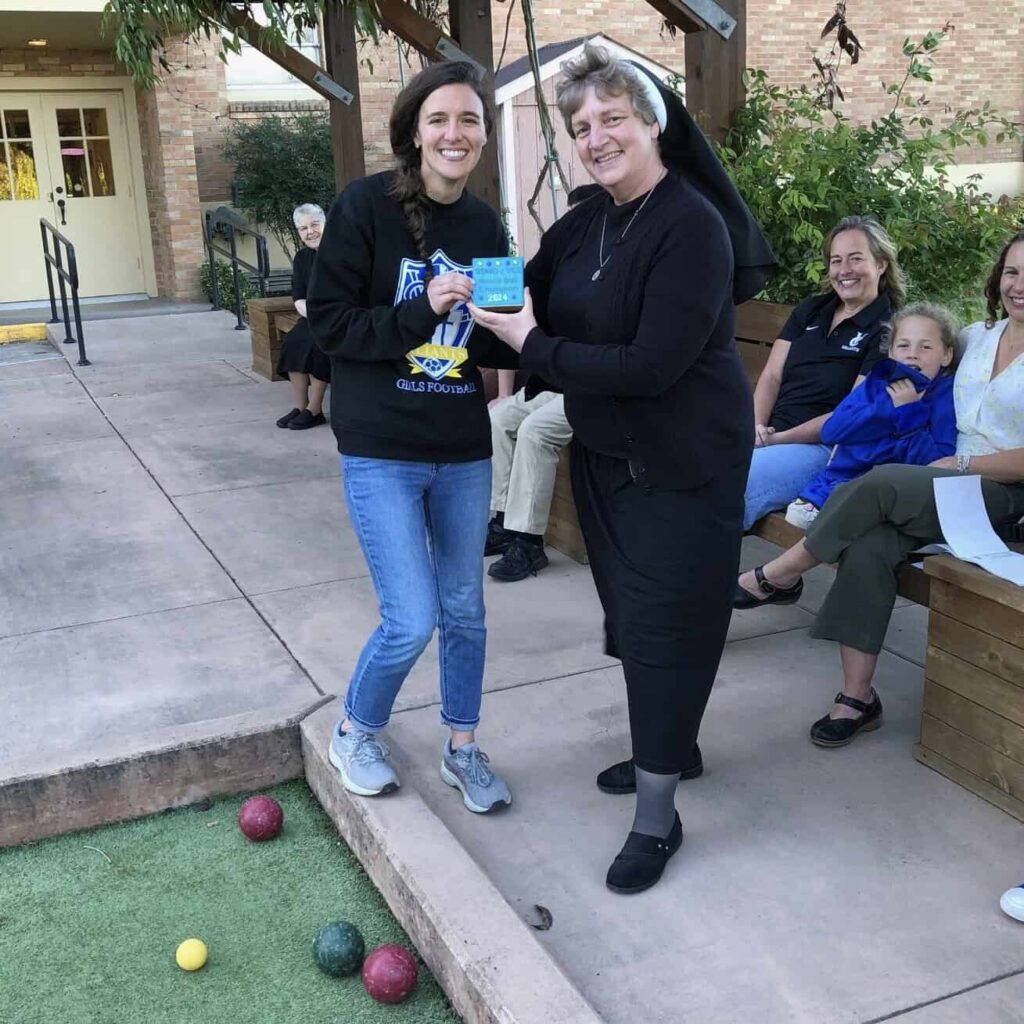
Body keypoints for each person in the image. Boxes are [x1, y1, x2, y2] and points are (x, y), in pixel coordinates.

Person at [469, 44, 775, 893]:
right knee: (636, 621)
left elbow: (648, 368)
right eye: (580, 126)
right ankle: (674, 747)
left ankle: (657, 817)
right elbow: (522, 284)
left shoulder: (691, 226)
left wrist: (532, 344)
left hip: (686, 461)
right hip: (609, 457)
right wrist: (468, 280)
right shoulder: (587, 219)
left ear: (652, 123)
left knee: (667, 627)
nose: (596, 137)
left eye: (612, 119)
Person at [306, 61, 518, 813]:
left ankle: (463, 746)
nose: (454, 133)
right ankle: (355, 730)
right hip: (382, 449)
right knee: (412, 618)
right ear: (414, 133)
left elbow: (484, 348)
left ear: (483, 137)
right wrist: (421, 309)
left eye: (469, 121)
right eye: (440, 120)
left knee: (466, 610)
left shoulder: (485, 223)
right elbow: (329, 323)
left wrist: (524, 329)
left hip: (460, 448)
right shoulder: (365, 207)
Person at [730, 232, 1024, 747]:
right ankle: (858, 697)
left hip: (997, 491)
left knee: (881, 482)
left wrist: (962, 461)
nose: (1020, 285)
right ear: (999, 279)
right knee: (869, 544)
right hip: (931, 482)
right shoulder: (978, 336)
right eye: (1014, 272)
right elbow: (917, 368)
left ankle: (779, 574)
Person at [735, 302, 959, 579]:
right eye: (903, 346)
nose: (913, 354)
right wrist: (876, 408)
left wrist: (909, 412)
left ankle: (776, 575)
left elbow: (936, 461)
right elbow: (834, 430)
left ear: (946, 354)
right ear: (890, 352)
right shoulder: (877, 384)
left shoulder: (945, 397)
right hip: (842, 475)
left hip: (888, 488)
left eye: (925, 347)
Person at [743, 215, 907, 530]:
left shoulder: (889, 328)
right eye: (836, 260)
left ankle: (694, 574)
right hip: (768, 437)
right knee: (691, 464)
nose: (844, 270)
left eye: (856, 259)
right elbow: (772, 376)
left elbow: (851, 413)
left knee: (730, 481)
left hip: (825, 449)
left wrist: (775, 439)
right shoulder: (812, 310)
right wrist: (756, 427)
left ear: (881, 264)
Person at [484, 186, 598, 582]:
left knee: (535, 431)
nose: (570, 225)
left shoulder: (609, 268)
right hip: (551, 384)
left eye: (579, 217)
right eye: (567, 217)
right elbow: (518, 295)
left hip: (594, 390)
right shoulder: (560, 264)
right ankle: (501, 520)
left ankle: (528, 543)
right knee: (499, 420)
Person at [275, 204, 331, 430]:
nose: (310, 232)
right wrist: (313, 314)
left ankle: (315, 409)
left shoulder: (343, 252)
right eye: (303, 228)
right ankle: (300, 406)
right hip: (313, 316)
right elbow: (298, 296)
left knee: (317, 344)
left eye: (314, 225)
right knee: (294, 341)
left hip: (340, 317)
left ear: (325, 224)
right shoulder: (302, 258)